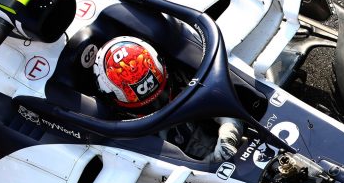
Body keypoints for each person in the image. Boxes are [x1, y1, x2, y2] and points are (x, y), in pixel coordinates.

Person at [93, 36, 242, 162]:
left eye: (162, 93)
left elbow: (222, 104)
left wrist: (229, 133)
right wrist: (212, 161)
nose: (160, 105)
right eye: (148, 106)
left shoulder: (180, 76)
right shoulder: (121, 135)